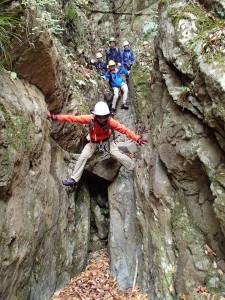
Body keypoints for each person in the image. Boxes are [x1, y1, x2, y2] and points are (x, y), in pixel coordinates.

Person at [47, 102, 147, 187]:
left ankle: (133, 167)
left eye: (104, 117)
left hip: (106, 142)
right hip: (93, 143)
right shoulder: (90, 119)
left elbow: (124, 129)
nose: (102, 119)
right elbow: (73, 118)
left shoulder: (110, 121)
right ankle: (74, 180)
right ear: (96, 116)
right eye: (100, 117)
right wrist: (55, 117)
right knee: (83, 156)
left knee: (117, 154)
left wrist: (137, 138)